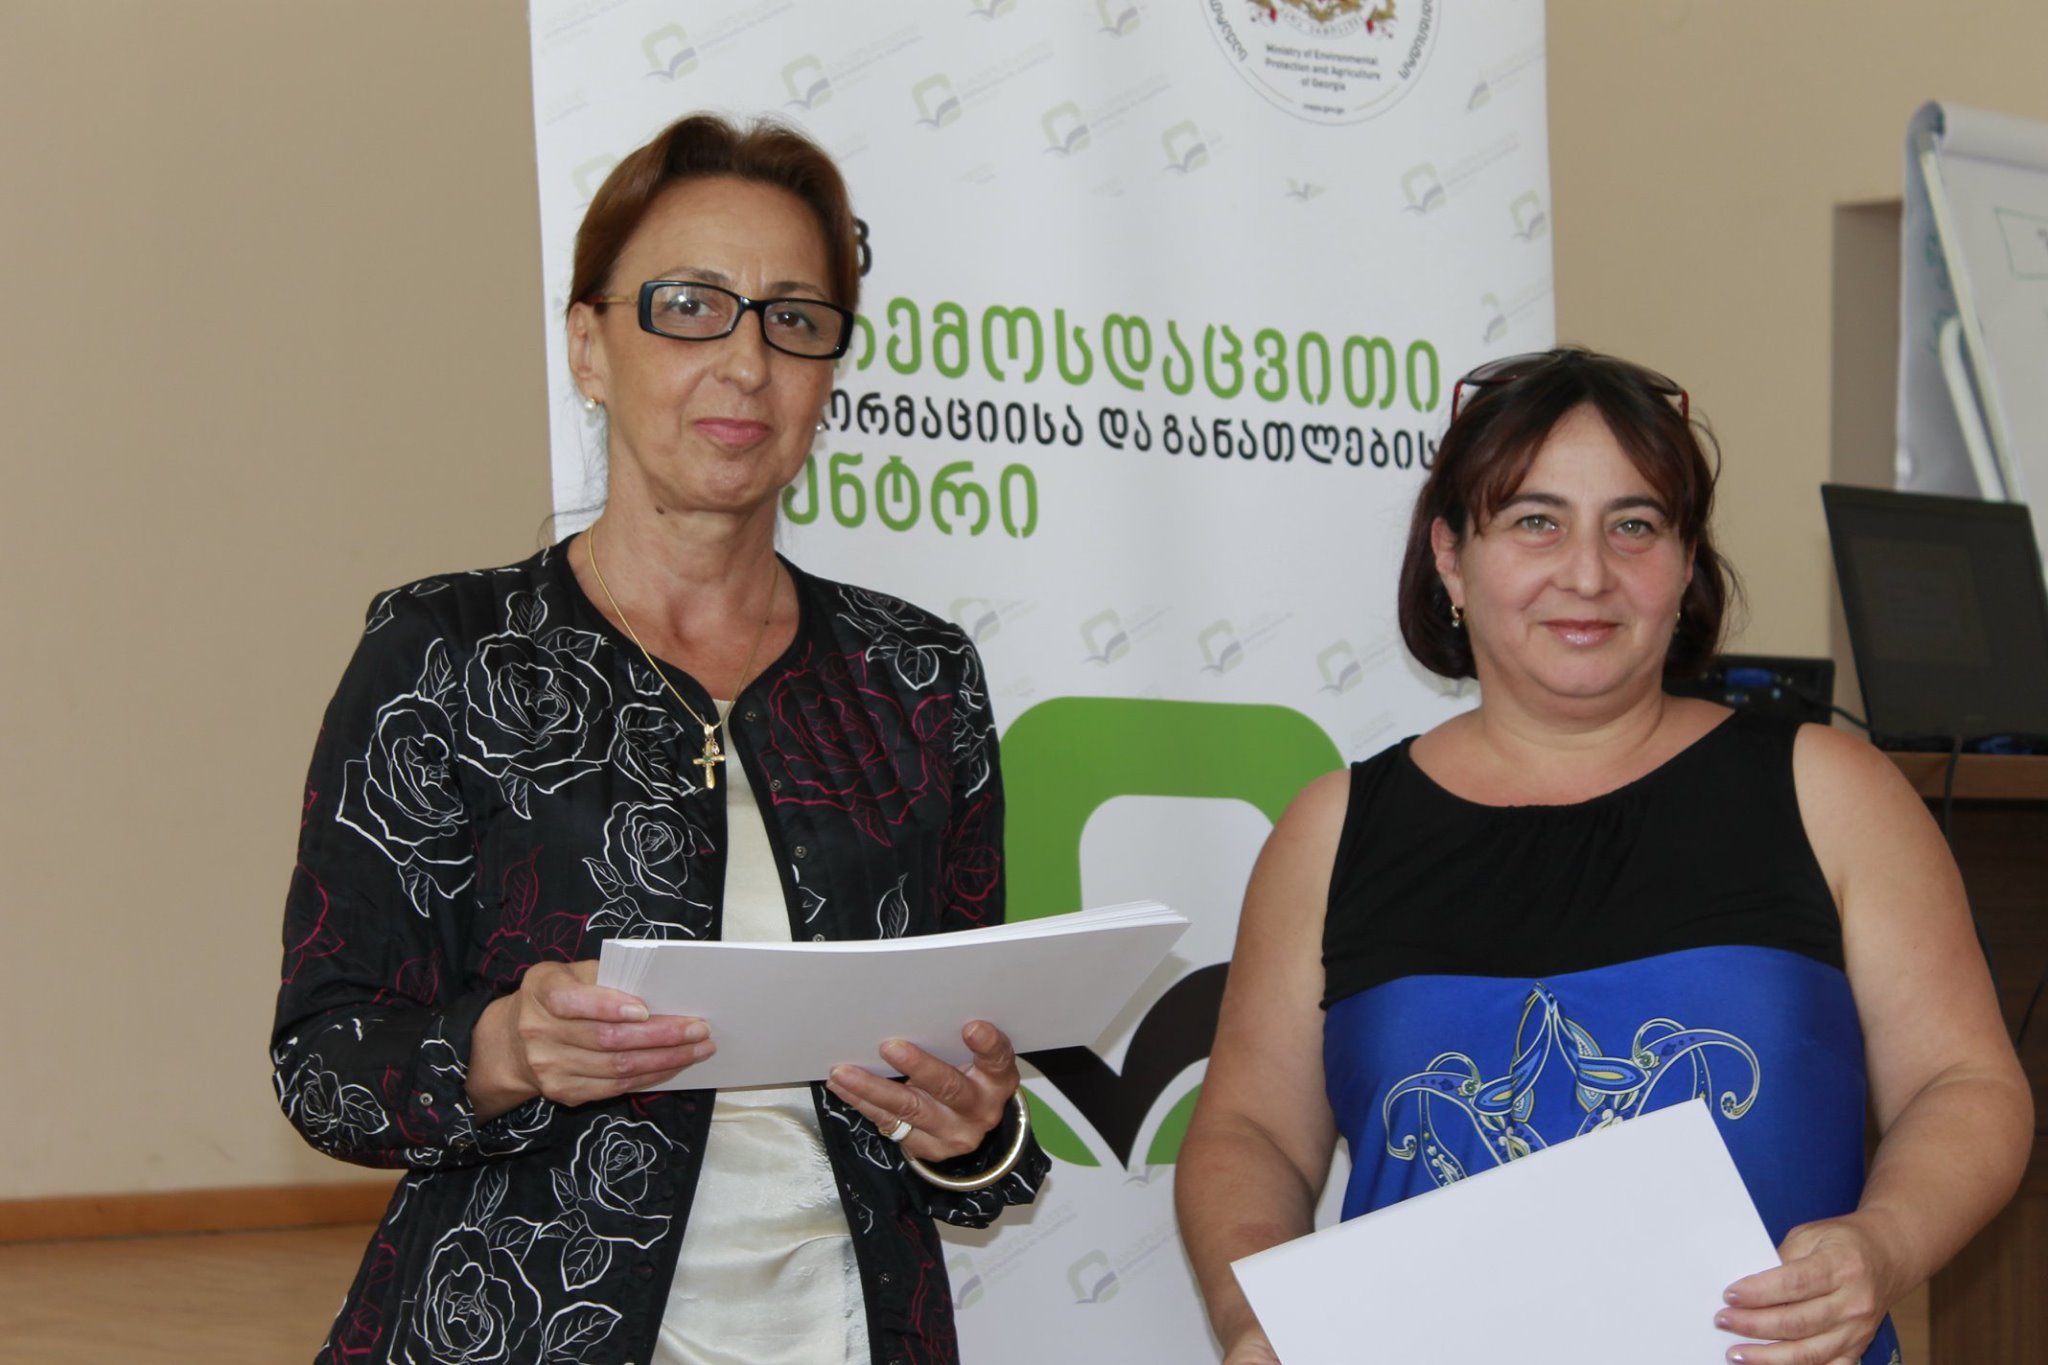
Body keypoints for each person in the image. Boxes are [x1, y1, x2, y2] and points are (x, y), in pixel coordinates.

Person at [271, 113, 1045, 1365]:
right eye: (689, 307)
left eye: (793, 319)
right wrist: (502, 1049)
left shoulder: (915, 678)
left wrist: (973, 1131)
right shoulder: (446, 649)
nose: (744, 362)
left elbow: (961, 1090)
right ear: (589, 346)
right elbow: (324, 1061)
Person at [1175, 348, 2032, 1365]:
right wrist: (1255, 1319)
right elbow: (1252, 1135)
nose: (1587, 573)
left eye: (1634, 525)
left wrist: (1882, 1245)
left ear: (1685, 560)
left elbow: (1962, 1084)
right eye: (1535, 521)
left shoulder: (1832, 792)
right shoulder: (1331, 832)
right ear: (1450, 556)